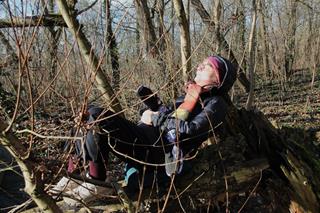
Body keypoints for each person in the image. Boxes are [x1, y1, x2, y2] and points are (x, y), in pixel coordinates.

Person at [51, 55, 237, 206]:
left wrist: (155, 117)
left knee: (96, 115)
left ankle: (96, 181)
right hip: (147, 140)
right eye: (201, 63)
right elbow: (171, 118)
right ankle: (74, 175)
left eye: (207, 66)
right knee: (86, 114)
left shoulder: (217, 103)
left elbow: (190, 130)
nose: (199, 66)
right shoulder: (190, 95)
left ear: (219, 78)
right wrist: (153, 106)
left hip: (159, 151)